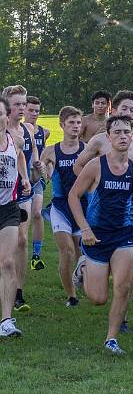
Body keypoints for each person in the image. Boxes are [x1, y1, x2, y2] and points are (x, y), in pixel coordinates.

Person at [68, 115, 133, 354]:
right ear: (108, 137)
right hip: (96, 236)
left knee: (123, 287)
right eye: (117, 132)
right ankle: (83, 267)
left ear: (132, 138)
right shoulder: (96, 166)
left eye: (126, 132)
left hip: (123, 235)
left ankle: (111, 338)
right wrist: (85, 229)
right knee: (98, 298)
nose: (122, 136)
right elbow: (73, 196)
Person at [39, 106, 86, 307]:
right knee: (66, 251)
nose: (76, 127)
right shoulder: (52, 151)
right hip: (60, 208)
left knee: (80, 252)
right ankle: (72, 296)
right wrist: (41, 170)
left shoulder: (87, 150)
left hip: (84, 208)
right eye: (71, 123)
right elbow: (42, 176)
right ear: (62, 125)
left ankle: (82, 277)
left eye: (78, 123)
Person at [2, 85, 44, 313]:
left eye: (23, 104)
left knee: (21, 240)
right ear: (7, 106)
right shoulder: (2, 130)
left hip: (24, 191)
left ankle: (18, 291)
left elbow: (33, 155)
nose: (21, 108)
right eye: (17, 104)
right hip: (4, 192)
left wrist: (36, 168)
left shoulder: (28, 129)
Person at [0, 96, 31, 337]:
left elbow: (20, 156)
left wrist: (26, 178)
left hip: (9, 207)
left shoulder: (16, 140)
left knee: (7, 261)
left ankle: (7, 321)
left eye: (1, 113)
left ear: (6, 115)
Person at [26, 95, 50, 271]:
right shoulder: (17, 130)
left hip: (37, 180)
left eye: (37, 111)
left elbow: (44, 155)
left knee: (36, 214)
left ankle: (36, 255)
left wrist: (45, 167)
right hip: (20, 181)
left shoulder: (44, 132)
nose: (34, 114)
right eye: (31, 110)